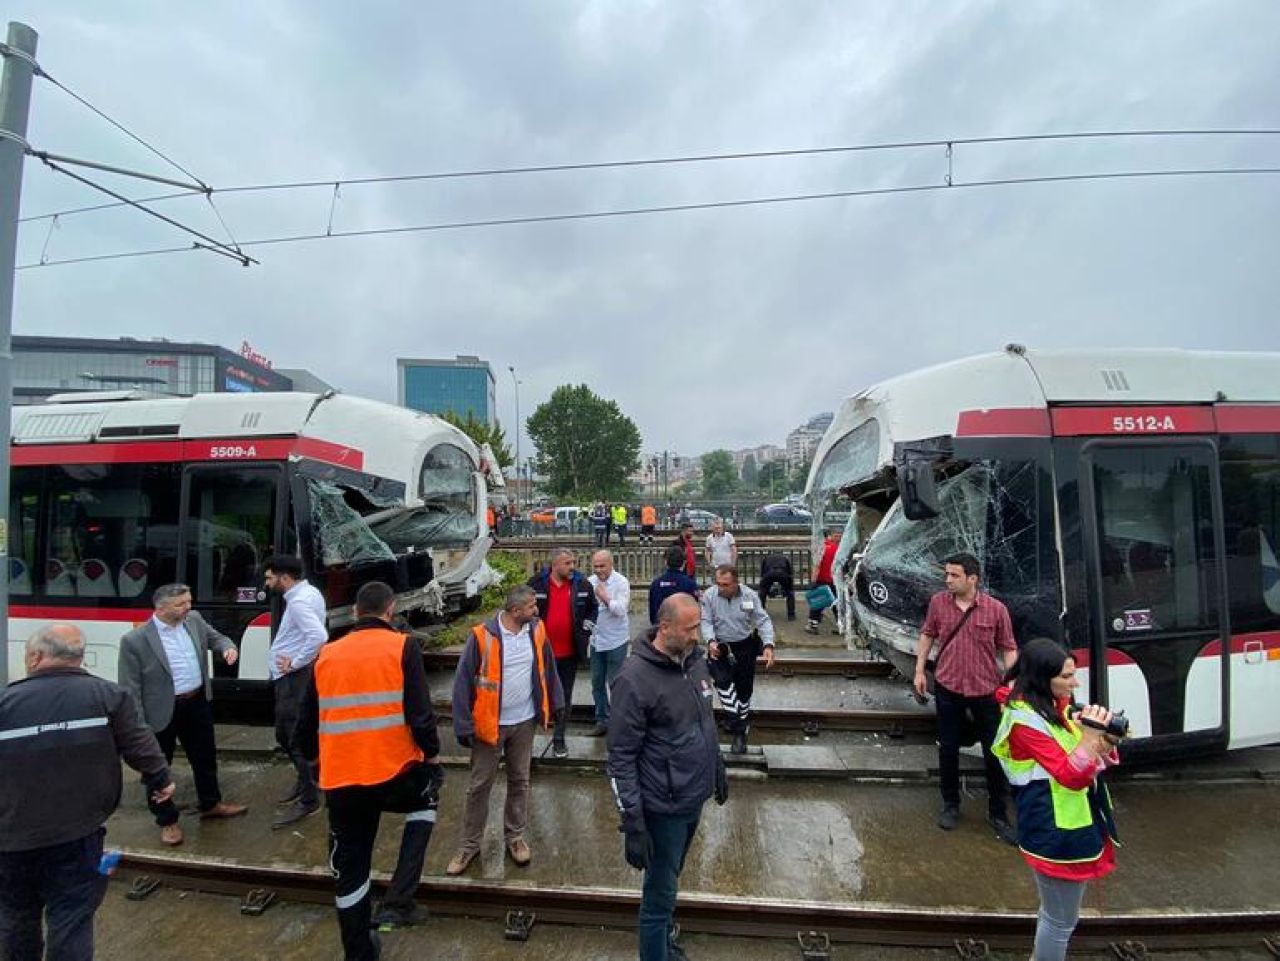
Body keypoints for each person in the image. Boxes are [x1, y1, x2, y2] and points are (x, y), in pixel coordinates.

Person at [0, 625, 175, 961]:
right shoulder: (107, 696)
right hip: (77, 835)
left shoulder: (6, 703)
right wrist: (161, 780)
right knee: (72, 920)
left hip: (11, 840)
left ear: (35, 657)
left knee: (15, 919)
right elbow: (140, 745)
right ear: (79, 658)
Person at [295, 581, 445, 960]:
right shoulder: (402, 646)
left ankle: (359, 950)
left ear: (356, 612)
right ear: (390, 610)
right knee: (427, 800)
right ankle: (399, 897)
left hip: (344, 781)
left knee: (351, 867)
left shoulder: (326, 654)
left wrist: (317, 765)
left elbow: (303, 728)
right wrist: (431, 755)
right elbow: (420, 714)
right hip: (394, 772)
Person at [608, 594, 728, 961]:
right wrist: (633, 822)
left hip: (692, 796)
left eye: (698, 627)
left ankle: (665, 947)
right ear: (665, 628)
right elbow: (620, 758)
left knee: (670, 883)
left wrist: (717, 768)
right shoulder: (634, 678)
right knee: (658, 899)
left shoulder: (693, 663)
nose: (698, 635)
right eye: (690, 628)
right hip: (663, 809)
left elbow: (703, 721)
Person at [991, 639, 1120, 961]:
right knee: (1060, 922)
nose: (1074, 683)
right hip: (1055, 830)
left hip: (1070, 823)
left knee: (1057, 916)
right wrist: (1090, 738)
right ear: (1041, 678)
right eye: (1066, 677)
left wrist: (1106, 741)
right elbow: (1071, 775)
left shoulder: (1055, 708)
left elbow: (1084, 760)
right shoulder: (1024, 721)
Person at [117, 583, 248, 845]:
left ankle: (211, 804)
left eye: (189, 601)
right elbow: (129, 688)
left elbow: (217, 638)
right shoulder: (135, 640)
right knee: (157, 768)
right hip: (160, 710)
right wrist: (138, 724)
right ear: (161, 608)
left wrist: (227, 647)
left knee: (205, 756)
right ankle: (167, 821)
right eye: (181, 604)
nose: (188, 607)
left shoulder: (195, 620)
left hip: (196, 701)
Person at [446, 585, 564, 876]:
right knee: (479, 786)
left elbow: (548, 668)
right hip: (489, 726)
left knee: (520, 781)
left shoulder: (536, 630)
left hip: (523, 723)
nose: (536, 610)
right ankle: (469, 845)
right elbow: (462, 682)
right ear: (515, 611)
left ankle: (515, 838)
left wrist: (557, 703)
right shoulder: (482, 636)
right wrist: (462, 724)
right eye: (531, 606)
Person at [912, 552, 1018, 843]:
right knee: (948, 748)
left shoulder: (995, 610)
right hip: (948, 687)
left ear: (973, 579)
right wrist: (920, 671)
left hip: (986, 690)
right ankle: (950, 804)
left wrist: (1014, 683)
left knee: (994, 753)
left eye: (954, 575)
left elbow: (1008, 648)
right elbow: (927, 634)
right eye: (946, 574)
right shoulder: (938, 604)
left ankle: (998, 812)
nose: (948, 580)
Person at [264, 554, 329, 829]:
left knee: (290, 734)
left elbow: (318, 636)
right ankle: (307, 781)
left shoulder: (299, 601)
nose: (266, 583)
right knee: (295, 733)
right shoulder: (309, 592)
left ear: (284, 577)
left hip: (294, 677)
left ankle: (309, 796)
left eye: (269, 578)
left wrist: (296, 662)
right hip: (296, 674)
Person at [528, 548, 599, 758]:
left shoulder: (582, 584)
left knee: (564, 697)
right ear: (555, 564)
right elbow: (522, 608)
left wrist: (588, 625)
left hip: (569, 653)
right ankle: (526, 740)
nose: (572, 567)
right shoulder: (536, 584)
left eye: (573, 562)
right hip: (540, 654)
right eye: (567, 563)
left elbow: (592, 608)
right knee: (535, 694)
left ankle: (559, 738)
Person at [701, 565, 776, 754]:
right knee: (722, 683)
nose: (721, 588)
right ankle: (739, 729)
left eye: (725, 584)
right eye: (718, 584)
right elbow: (706, 621)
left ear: (736, 582)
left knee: (744, 691)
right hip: (720, 647)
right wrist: (710, 641)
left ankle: (739, 728)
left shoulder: (749, 595)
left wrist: (768, 645)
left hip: (744, 646)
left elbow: (763, 620)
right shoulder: (710, 596)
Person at [587, 549, 631, 736]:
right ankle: (602, 719)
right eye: (595, 566)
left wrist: (605, 597)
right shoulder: (589, 582)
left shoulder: (621, 582)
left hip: (616, 640)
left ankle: (619, 720)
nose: (598, 570)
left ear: (611, 564)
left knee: (616, 683)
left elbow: (621, 610)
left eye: (602, 566)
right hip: (597, 640)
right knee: (597, 682)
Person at [649, 545, 699, 625]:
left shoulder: (656, 584)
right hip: (683, 628)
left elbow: (652, 612)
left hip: (662, 628)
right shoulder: (690, 584)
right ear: (684, 562)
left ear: (666, 562)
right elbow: (694, 607)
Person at [805, 529, 841, 634]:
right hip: (834, 580)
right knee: (836, 603)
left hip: (822, 580)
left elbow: (816, 566)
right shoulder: (837, 548)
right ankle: (841, 626)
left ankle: (813, 625)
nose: (838, 538)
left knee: (818, 602)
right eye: (836, 536)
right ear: (829, 536)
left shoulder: (821, 548)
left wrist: (813, 581)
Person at [758, 552, 796, 621]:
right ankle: (791, 615)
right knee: (790, 593)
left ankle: (760, 613)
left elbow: (762, 572)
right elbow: (790, 572)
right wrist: (790, 583)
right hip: (783, 573)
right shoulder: (785, 558)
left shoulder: (766, 558)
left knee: (762, 592)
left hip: (769, 574)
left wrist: (764, 584)